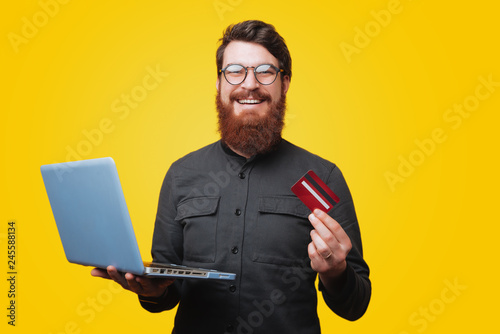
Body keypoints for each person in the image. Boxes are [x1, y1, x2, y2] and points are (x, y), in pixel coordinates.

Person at [92, 20, 371, 333]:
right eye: (235, 71)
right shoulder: (181, 175)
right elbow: (167, 288)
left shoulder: (318, 178)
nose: (249, 84)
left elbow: (355, 305)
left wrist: (336, 273)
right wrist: (153, 291)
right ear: (219, 82)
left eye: (265, 71)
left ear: (285, 82)